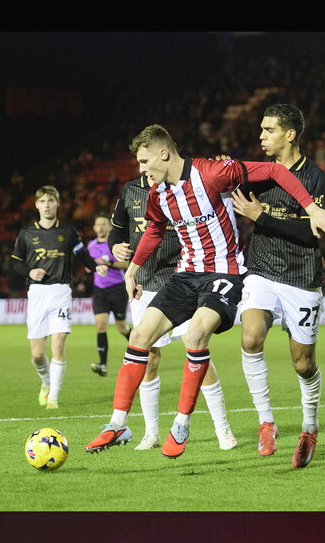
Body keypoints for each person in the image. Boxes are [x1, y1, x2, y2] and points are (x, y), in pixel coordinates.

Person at [84, 123, 325, 458]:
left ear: (164, 153)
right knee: (139, 337)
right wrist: (132, 271)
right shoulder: (158, 195)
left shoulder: (213, 172)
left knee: (195, 336)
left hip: (225, 273)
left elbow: (276, 171)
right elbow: (154, 231)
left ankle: (181, 425)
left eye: (145, 161)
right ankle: (118, 423)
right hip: (186, 275)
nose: (141, 169)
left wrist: (312, 209)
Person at [228, 103, 325, 468]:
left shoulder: (314, 176)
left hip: (301, 275)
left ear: (290, 134)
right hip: (261, 268)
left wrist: (262, 216)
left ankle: (309, 427)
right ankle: (266, 421)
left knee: (303, 364)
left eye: (268, 130)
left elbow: (312, 232)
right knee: (250, 336)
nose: (261, 136)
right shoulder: (256, 173)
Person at [106, 174, 237, 451]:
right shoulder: (130, 190)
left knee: (196, 347)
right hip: (144, 283)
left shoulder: (178, 188)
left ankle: (222, 428)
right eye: (141, 161)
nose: (145, 165)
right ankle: (151, 433)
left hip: (181, 280)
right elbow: (116, 231)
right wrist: (114, 246)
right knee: (149, 358)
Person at [10, 186, 108, 409]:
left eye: (51, 201)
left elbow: (82, 255)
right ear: (36, 205)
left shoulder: (68, 231)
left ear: (57, 204)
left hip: (61, 292)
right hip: (37, 293)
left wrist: (97, 267)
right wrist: (29, 272)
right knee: (37, 355)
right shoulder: (27, 234)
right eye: (42, 201)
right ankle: (46, 382)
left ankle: (53, 397)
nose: (46, 205)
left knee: (59, 343)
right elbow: (16, 261)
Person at [87, 214, 132, 377]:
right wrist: (92, 266)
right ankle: (103, 364)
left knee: (122, 327)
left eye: (102, 224)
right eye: (97, 224)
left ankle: (142, 349)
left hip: (117, 289)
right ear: (94, 228)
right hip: (99, 290)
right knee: (100, 326)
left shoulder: (115, 245)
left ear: (109, 227)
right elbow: (88, 266)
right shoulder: (91, 245)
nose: (99, 227)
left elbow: (127, 263)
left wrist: (109, 264)